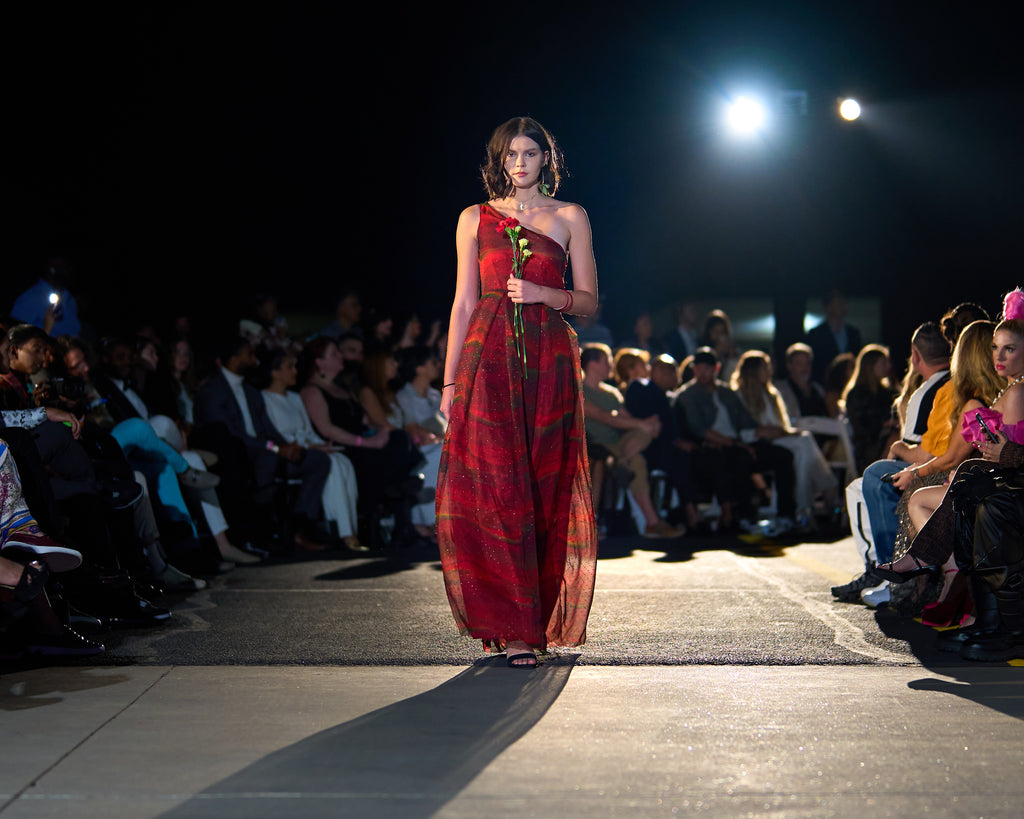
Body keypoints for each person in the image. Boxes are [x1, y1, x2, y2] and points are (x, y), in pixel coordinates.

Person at [436, 116, 598, 669]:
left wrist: (542, 292)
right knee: (495, 488)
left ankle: (531, 619)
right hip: (488, 360)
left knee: (541, 487)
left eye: (531, 152)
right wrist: (450, 380)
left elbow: (589, 301)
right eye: (512, 154)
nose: (521, 162)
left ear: (546, 159)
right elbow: (462, 303)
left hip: (548, 363)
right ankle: (514, 627)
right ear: (499, 160)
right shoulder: (473, 218)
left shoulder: (571, 216)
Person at [805, 288, 863, 384]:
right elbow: (815, 365)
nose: (843, 306)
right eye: (838, 303)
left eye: (843, 303)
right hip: (824, 385)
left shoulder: (853, 333)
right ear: (827, 307)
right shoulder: (816, 334)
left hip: (850, 382)